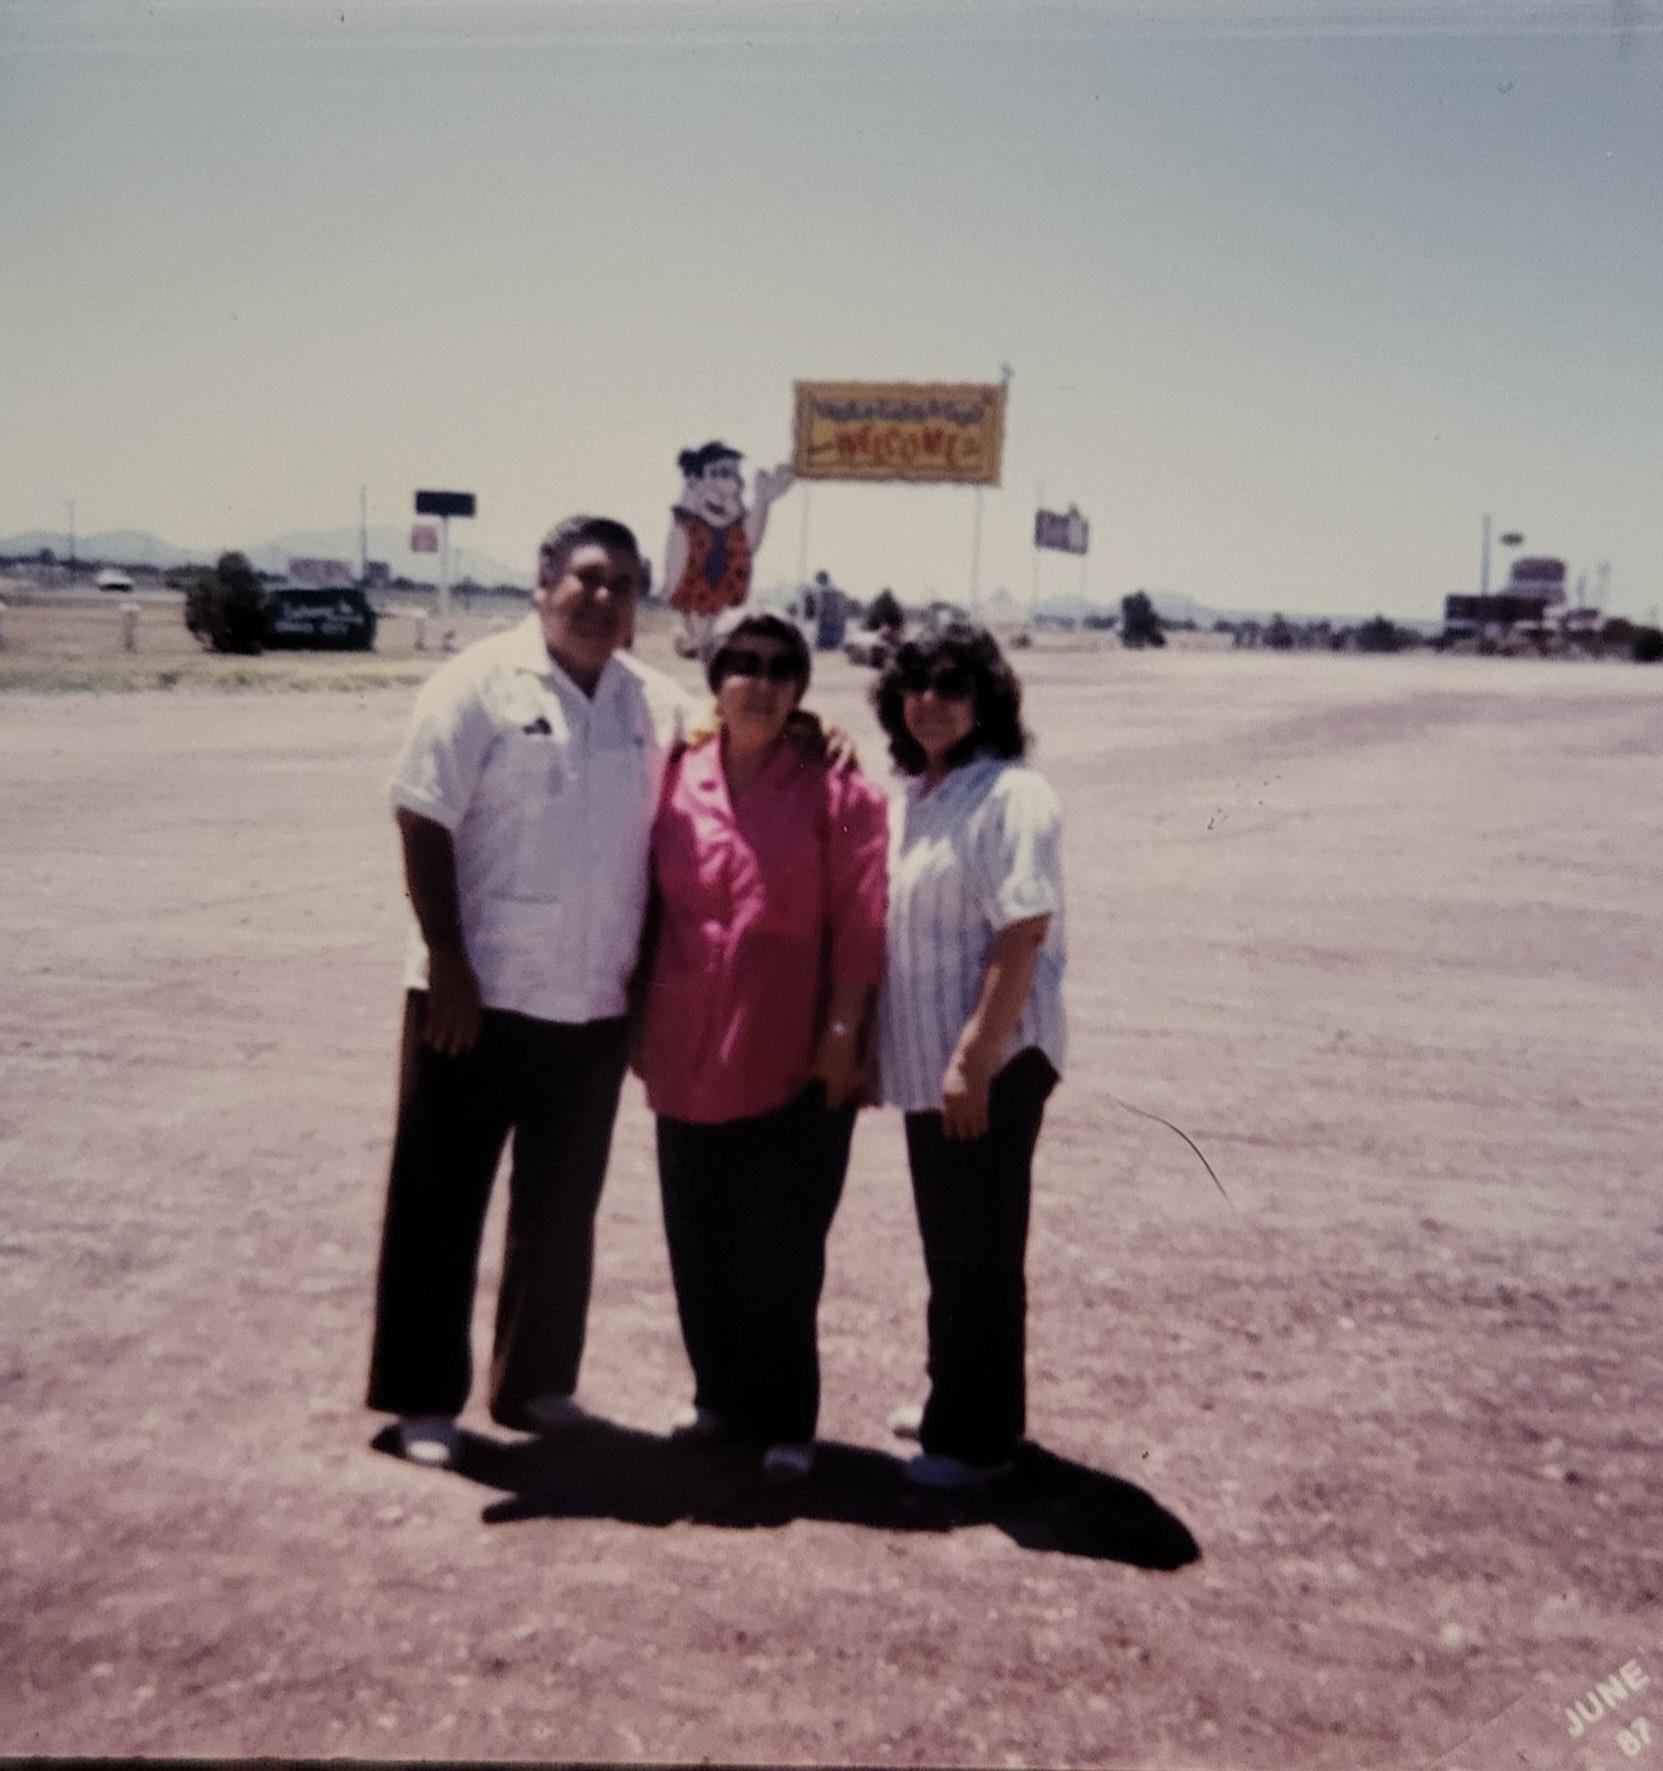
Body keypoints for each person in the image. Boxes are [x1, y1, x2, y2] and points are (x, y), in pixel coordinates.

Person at [366, 514, 696, 1468]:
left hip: (593, 1001)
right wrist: (448, 959)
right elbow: (422, 816)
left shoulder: (656, 707)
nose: (603, 598)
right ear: (543, 584)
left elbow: (708, 801)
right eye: (587, 577)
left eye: (623, 584)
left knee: (561, 1205)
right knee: (439, 1198)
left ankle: (535, 1382)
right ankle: (423, 1399)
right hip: (475, 996)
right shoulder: (476, 683)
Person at [635, 610, 887, 1481]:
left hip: (795, 1056)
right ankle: (718, 1398)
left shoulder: (838, 790)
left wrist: (844, 1034)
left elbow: (862, 925)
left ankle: (785, 1417)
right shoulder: (674, 776)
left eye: (782, 668)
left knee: (781, 1247)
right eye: (742, 663)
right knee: (697, 1235)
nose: (761, 681)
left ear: (800, 690)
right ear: (714, 678)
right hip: (686, 1050)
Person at [872, 621, 1067, 1491]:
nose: (931, 701)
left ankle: (976, 1442)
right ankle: (959, 1399)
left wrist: (973, 1059)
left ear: (986, 698)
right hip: (936, 1064)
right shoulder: (922, 792)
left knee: (978, 1247)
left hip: (988, 1060)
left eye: (952, 685)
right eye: (915, 684)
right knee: (952, 1243)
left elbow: (1021, 930)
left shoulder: (1011, 794)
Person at [663, 441, 793, 659]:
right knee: (702, 616)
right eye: (720, 472)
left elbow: (748, 541)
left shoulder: (734, 527)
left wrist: (762, 500)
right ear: (694, 480)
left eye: (734, 474)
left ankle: (708, 642)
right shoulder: (686, 528)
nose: (732, 483)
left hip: (724, 593)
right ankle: (702, 641)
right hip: (700, 594)